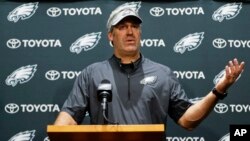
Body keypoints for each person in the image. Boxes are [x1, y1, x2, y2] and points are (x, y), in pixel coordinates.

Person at [54, 6, 245, 132]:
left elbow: (187, 120)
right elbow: (67, 120)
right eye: (122, 27)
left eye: (135, 26)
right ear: (110, 36)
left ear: (140, 33)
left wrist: (219, 90)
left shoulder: (163, 74)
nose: (130, 32)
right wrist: (60, 130)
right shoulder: (92, 74)